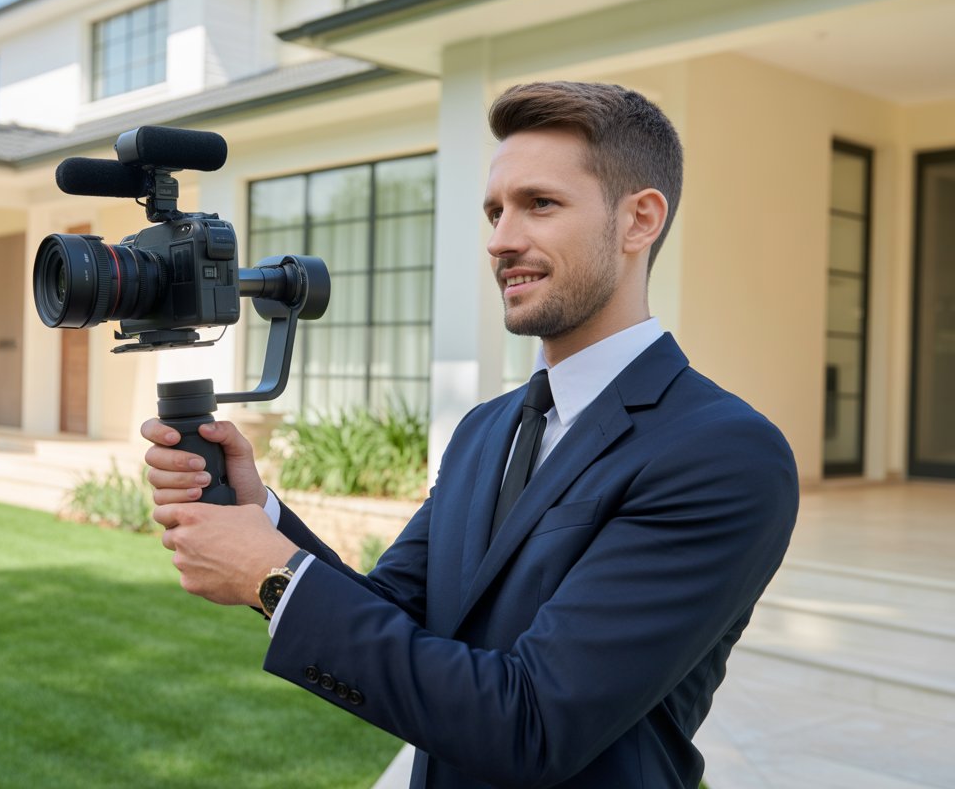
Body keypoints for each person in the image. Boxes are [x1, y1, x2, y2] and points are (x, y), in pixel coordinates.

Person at [142, 81, 799, 789]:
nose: (501, 240)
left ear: (639, 220)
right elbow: (395, 614)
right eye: (494, 211)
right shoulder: (485, 429)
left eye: (539, 204)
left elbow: (533, 724)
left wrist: (274, 577)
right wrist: (260, 516)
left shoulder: (723, 453)